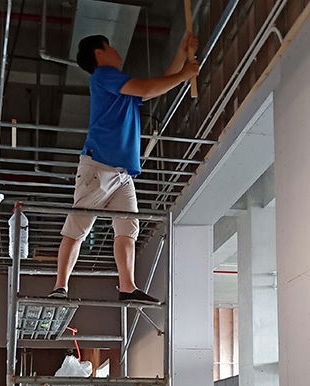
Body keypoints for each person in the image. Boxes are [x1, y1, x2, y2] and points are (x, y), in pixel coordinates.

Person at [49, 33, 200, 303]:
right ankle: (60, 287)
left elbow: (156, 86)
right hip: (100, 165)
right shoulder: (103, 75)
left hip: (122, 173)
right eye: (110, 47)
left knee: (128, 228)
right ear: (99, 53)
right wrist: (184, 74)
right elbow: (148, 88)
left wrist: (181, 54)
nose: (117, 51)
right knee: (78, 226)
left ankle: (127, 287)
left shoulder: (120, 86)